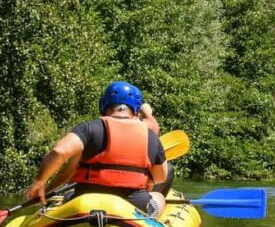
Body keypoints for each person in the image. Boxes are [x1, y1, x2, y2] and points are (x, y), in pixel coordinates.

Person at [26, 81, 169, 217]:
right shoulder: (150, 136)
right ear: (136, 109)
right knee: (159, 197)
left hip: (85, 198)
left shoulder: (89, 128)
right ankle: (150, 221)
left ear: (104, 104)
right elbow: (160, 177)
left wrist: (40, 182)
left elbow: (60, 152)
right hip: (133, 203)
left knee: (68, 194)